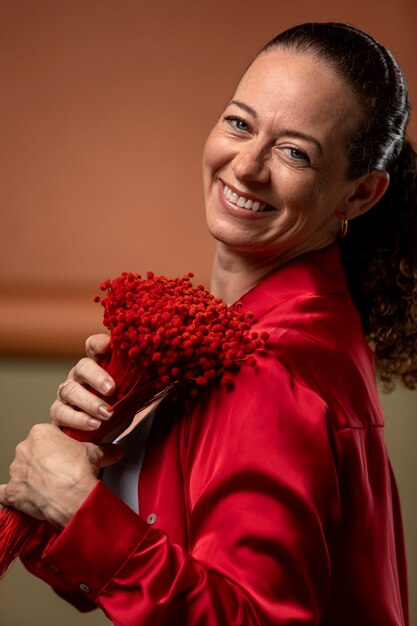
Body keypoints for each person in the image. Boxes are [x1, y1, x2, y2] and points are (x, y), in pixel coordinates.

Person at [0, 22, 416, 625]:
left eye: (295, 152)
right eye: (240, 123)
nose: (246, 166)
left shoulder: (267, 366)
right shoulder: (281, 330)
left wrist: (79, 507)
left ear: (360, 195)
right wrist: (96, 455)